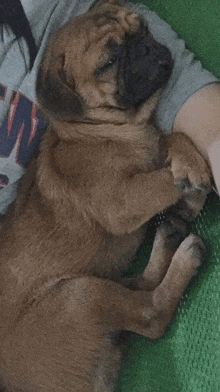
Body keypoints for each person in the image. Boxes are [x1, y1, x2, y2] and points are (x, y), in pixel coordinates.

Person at [0, 0, 219, 217]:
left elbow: (203, 118)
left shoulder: (90, 17)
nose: (143, 50)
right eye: (109, 61)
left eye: (141, 30)